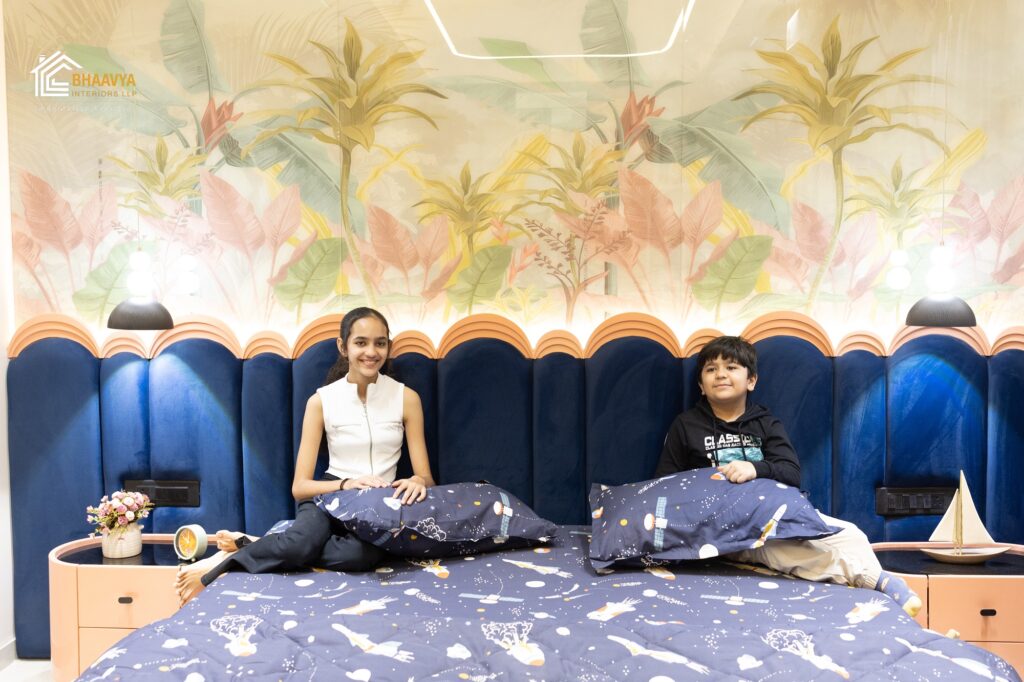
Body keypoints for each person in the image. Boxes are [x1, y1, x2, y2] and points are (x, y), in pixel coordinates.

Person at [175, 307, 436, 604]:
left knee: (359, 556)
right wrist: (346, 484)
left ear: (389, 346)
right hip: (328, 495)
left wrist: (418, 480)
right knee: (301, 544)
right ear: (343, 347)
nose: (371, 352)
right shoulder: (321, 401)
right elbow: (300, 487)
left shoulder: (406, 398)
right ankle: (222, 563)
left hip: (377, 503)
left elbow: (426, 477)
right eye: (360, 342)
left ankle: (260, 543)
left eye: (380, 343)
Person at [655, 335, 922, 617]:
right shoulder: (686, 426)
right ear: (701, 385)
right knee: (784, 551)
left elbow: (791, 473)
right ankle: (877, 583)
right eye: (711, 369)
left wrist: (755, 468)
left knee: (852, 535)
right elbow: (664, 484)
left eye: (731, 367)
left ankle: (883, 609)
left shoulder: (766, 423)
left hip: (774, 514)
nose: (720, 374)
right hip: (730, 529)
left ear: (751, 381)